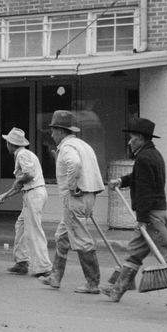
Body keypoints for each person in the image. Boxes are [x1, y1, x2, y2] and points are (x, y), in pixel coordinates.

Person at [101, 118, 167, 307]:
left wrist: (143, 219)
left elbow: (146, 190)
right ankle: (117, 290)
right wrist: (121, 181)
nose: (129, 142)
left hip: (151, 214)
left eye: (132, 138)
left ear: (141, 138)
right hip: (154, 211)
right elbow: (138, 178)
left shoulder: (144, 158)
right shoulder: (153, 154)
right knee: (135, 253)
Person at [42, 110, 105, 292]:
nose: (52, 135)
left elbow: (75, 164)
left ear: (61, 131)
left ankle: (92, 282)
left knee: (81, 239)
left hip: (76, 197)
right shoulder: (83, 145)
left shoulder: (67, 147)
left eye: (53, 131)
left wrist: (71, 186)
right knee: (62, 236)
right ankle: (55, 276)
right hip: (88, 195)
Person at [0, 128, 51, 278]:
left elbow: (29, 175)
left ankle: (43, 266)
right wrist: (4, 196)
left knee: (33, 230)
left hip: (34, 193)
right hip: (31, 193)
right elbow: (20, 185)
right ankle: (22, 262)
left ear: (11, 143)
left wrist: (18, 180)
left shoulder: (22, 154)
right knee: (20, 226)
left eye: (7, 142)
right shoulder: (23, 154)